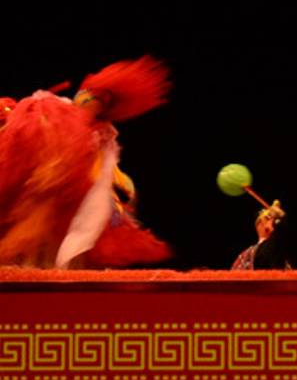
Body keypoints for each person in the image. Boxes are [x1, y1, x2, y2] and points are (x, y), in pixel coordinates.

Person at [0, 56, 172, 269]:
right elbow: (23, 137)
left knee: (53, 246)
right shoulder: (50, 108)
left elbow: (104, 177)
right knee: (27, 239)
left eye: (99, 100)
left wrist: (115, 200)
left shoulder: (102, 136)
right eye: (90, 94)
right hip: (37, 191)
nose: (90, 101)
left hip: (67, 201)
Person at [231, 200, 291, 270]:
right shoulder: (248, 254)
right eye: (268, 218)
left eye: (274, 219)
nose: (273, 221)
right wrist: (282, 219)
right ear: (259, 224)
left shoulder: (278, 248)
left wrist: (282, 219)